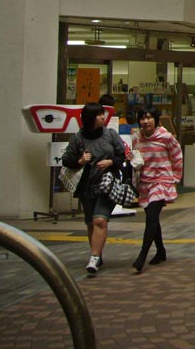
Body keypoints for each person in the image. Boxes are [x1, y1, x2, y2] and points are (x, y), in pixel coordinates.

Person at [60, 102, 127, 274]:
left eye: (102, 114)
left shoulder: (110, 134)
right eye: (98, 115)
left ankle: (94, 258)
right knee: (91, 223)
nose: (102, 117)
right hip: (87, 186)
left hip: (107, 184)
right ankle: (97, 254)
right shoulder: (78, 138)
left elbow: (122, 155)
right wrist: (80, 161)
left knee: (100, 220)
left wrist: (111, 161)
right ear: (89, 118)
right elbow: (66, 159)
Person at [131, 106, 183, 272]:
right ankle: (161, 251)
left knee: (151, 217)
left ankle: (142, 256)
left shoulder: (165, 136)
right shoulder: (137, 138)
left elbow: (177, 155)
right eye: (142, 118)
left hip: (162, 182)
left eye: (148, 118)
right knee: (153, 219)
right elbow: (136, 157)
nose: (145, 121)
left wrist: (175, 177)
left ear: (156, 119)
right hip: (146, 183)